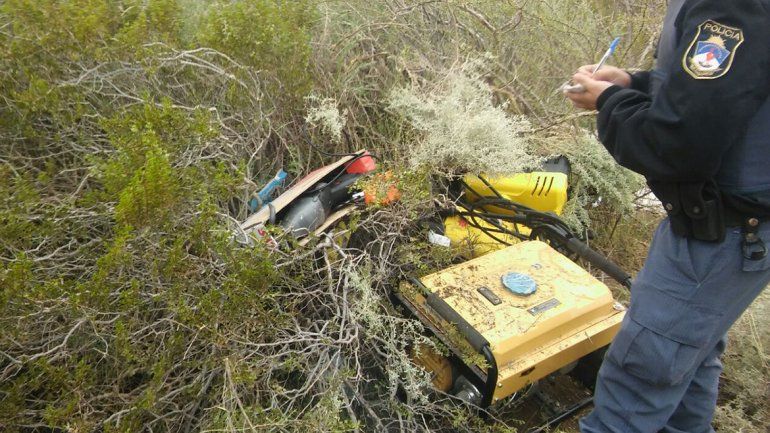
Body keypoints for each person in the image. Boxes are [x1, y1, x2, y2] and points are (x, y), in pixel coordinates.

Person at [563, 0, 770, 432]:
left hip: (718, 238)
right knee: (686, 361)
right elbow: (722, 93)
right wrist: (636, 84)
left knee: (637, 383)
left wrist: (612, 101)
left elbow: (678, 147)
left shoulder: (732, 6)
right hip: (730, 235)